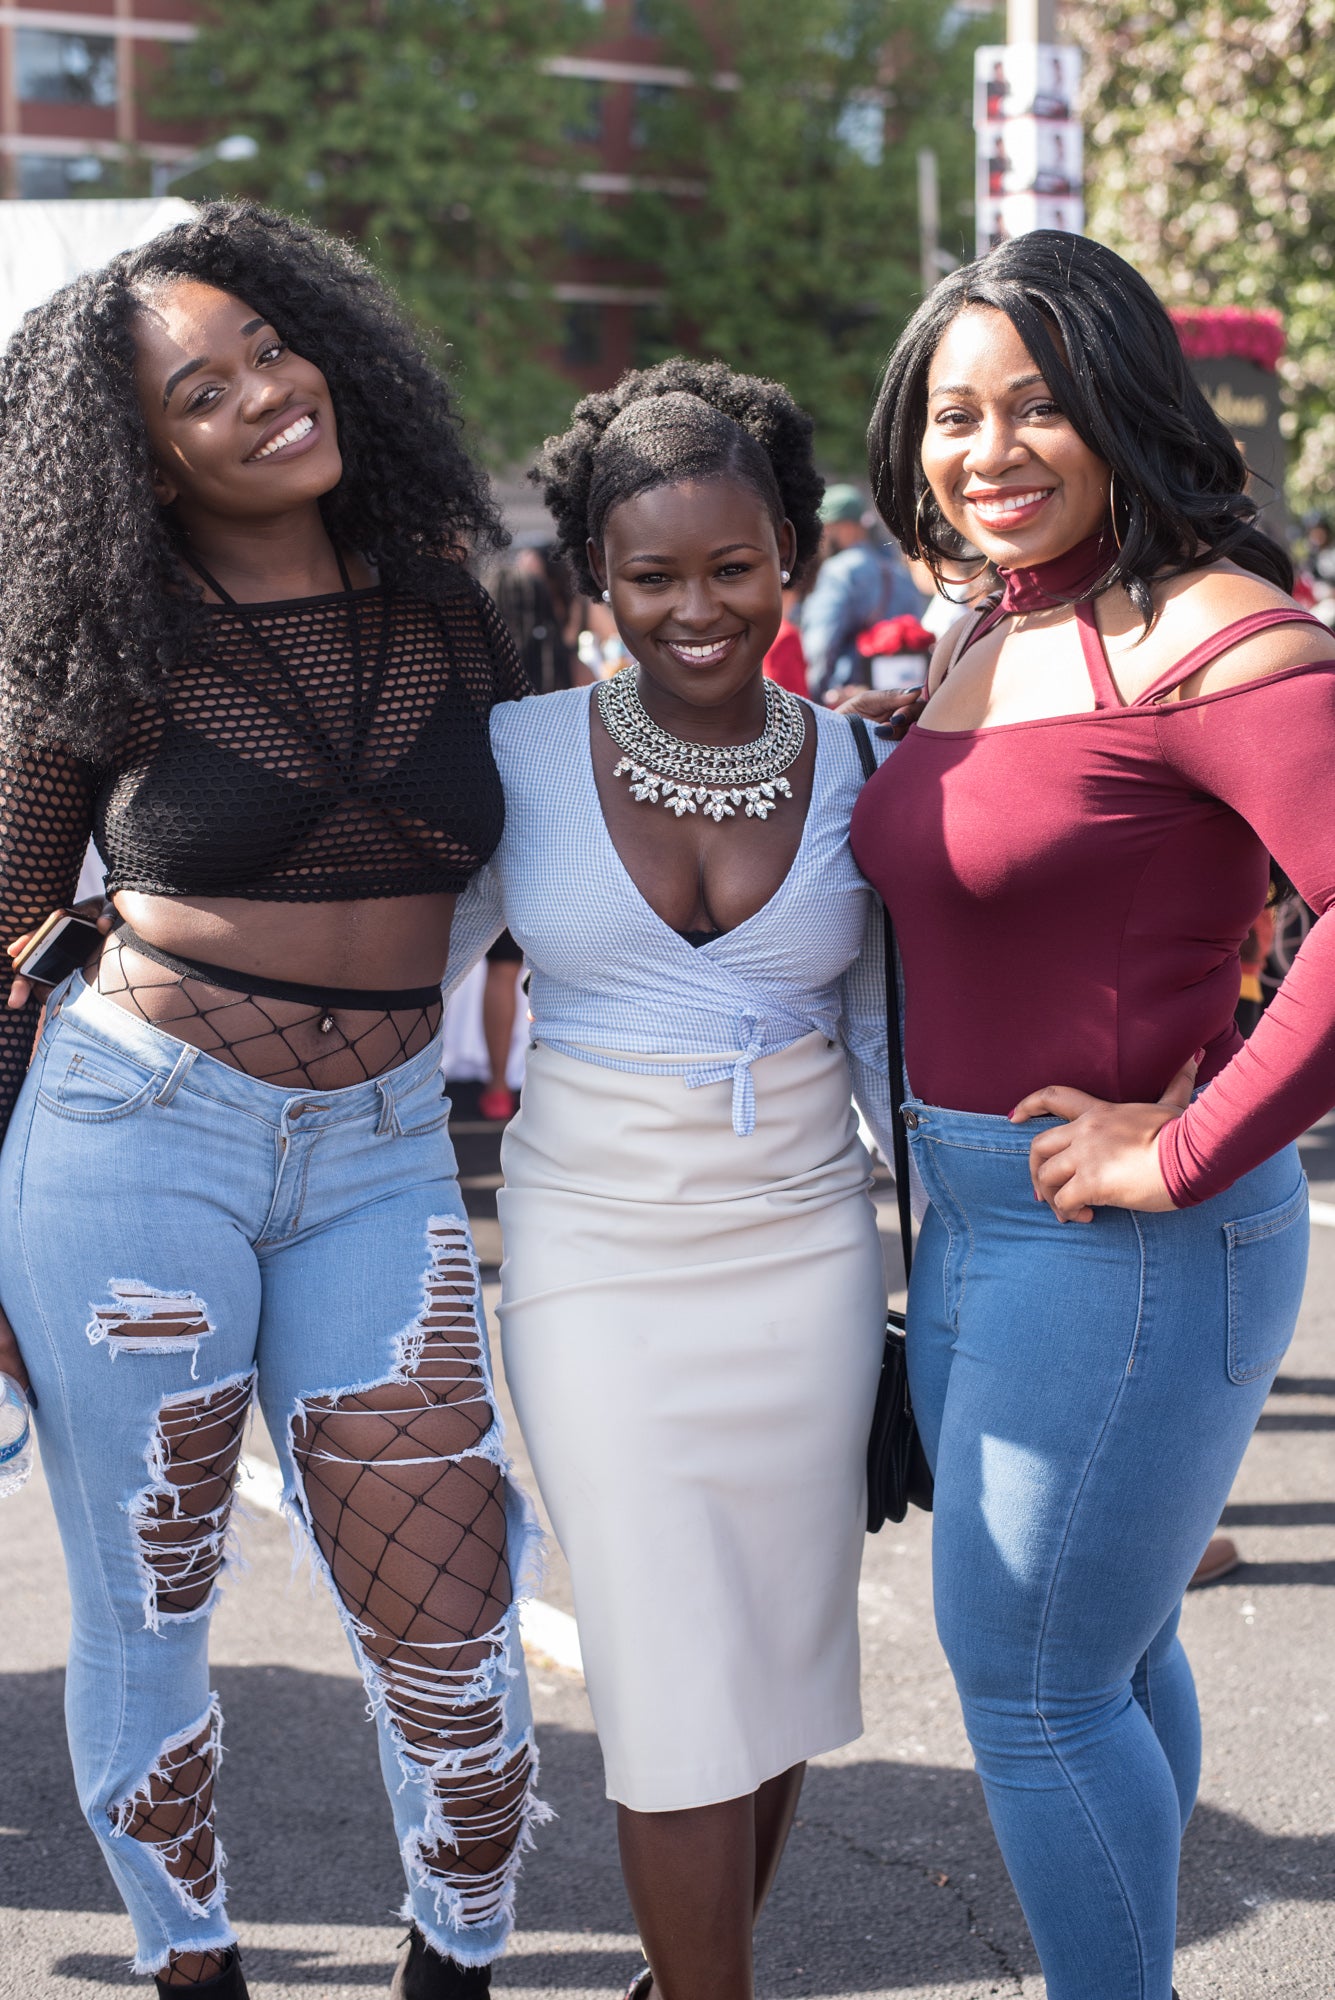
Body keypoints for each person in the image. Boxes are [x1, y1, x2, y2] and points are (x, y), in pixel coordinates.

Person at [0, 204, 543, 1999]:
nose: (260, 394)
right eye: (199, 390)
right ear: (139, 461)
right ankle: (192, 1967)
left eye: (272, 348)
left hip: (387, 1150)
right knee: (151, 1607)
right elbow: (4, 922)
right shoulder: (107, 631)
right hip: (134, 1138)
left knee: (451, 1624)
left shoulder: (465, 603)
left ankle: (455, 1962)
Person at [848, 230, 1334, 2000]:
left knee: (1032, 1686)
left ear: (1126, 402)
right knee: (1104, 1664)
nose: (991, 450)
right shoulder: (1002, 623)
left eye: (1040, 404)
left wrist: (1186, 1143)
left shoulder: (1213, 630)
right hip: (971, 1216)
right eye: (956, 416)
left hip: (1124, 1239)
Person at [444, 357, 898, 2000]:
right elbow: (401, 976)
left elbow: (878, 1047)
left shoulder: (859, 768)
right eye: (651, 576)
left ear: (792, 553)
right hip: (592, 1258)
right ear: (596, 580)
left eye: (731, 568)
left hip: (805, 1256)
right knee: (670, 1675)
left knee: (775, 1660)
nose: (694, 609)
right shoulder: (516, 755)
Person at [799, 484, 923, 701]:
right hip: (901, 694)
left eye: (827, 529)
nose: (822, 538)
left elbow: (821, 643)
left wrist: (814, 696)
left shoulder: (839, 571)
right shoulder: (897, 570)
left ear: (847, 527)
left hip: (852, 697)